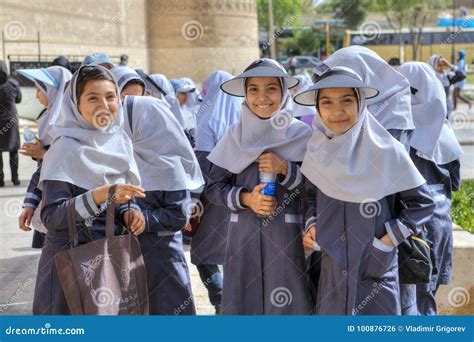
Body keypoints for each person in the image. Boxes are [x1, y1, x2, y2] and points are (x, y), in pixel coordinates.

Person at [294, 66, 435, 315]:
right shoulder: (316, 151)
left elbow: (422, 203)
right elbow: (308, 197)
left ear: (360, 103)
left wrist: (387, 241)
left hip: (375, 272)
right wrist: (312, 224)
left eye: (346, 101)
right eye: (327, 102)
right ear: (317, 108)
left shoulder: (386, 150)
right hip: (332, 273)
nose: (337, 111)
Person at [32, 65, 145, 315]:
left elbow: (121, 194)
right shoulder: (64, 149)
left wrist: (129, 211)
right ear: (76, 104)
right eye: (93, 98)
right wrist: (99, 195)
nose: (104, 105)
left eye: (110, 96)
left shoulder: (120, 143)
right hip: (69, 266)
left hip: (110, 260)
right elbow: (52, 217)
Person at [206, 58, 314, 315]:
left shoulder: (303, 135)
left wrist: (286, 170)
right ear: (245, 94)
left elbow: (316, 190)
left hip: (289, 239)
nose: (262, 97)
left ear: (284, 92)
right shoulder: (234, 136)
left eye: (271, 89)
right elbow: (212, 188)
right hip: (243, 238)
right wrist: (245, 199)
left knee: (289, 309)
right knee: (245, 306)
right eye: (253, 89)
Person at [122, 95, 204, 315]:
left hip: (163, 259)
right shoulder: (125, 159)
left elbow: (179, 216)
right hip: (131, 257)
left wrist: (143, 220)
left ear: (146, 124)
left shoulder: (170, 165)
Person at [399, 62, 463, 315]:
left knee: (408, 300)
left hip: (410, 223)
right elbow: (454, 184)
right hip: (439, 223)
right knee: (427, 296)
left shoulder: (396, 129)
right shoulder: (444, 131)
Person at [191, 70, 242, 314]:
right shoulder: (243, 117)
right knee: (233, 253)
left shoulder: (207, 119)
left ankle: (222, 301)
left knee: (203, 254)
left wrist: (193, 201)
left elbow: (202, 166)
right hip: (241, 194)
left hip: (215, 198)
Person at [317, 45, 415, 151]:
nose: (336, 111)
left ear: (364, 75)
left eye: (346, 100)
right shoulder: (330, 107)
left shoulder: (392, 120)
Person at [17, 66, 72, 248]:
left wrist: (43, 154)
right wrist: (30, 203)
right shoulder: (48, 119)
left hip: (66, 204)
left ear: (53, 91)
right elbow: (43, 169)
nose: (36, 96)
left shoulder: (70, 124)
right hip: (49, 198)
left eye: (39, 90)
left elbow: (74, 163)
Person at [0, 60, 22, 187]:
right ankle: (15, 179)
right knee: (13, 150)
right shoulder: (13, 84)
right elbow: (19, 99)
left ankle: (0, 180)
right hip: (11, 122)